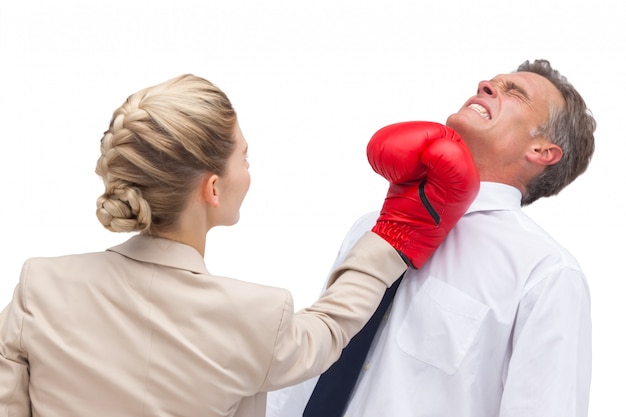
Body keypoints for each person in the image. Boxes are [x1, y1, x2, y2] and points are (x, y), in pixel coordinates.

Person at [0, 74, 479, 417]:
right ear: (212, 188)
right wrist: (395, 235)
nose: (249, 170)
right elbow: (331, 328)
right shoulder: (255, 316)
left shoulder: (40, 285)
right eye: (243, 156)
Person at [267, 59, 596, 417]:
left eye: (513, 92)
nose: (486, 84)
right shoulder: (372, 225)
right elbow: (311, 361)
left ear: (542, 151)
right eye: (492, 82)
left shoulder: (546, 274)